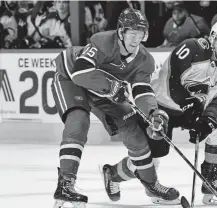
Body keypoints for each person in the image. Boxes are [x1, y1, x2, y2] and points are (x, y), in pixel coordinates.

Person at [103, 18, 217, 206]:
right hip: (159, 106)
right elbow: (170, 80)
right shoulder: (192, 48)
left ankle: (210, 183)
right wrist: (188, 104)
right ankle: (113, 174)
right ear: (213, 37)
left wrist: (209, 119)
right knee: (152, 156)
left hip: (186, 110)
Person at [52, 8, 180, 208]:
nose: (136, 38)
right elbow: (80, 73)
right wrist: (111, 87)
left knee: (133, 131)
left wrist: (153, 113)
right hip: (70, 77)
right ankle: (66, 183)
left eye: (140, 33)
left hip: (103, 88)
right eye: (132, 33)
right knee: (79, 120)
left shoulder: (145, 60)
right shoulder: (103, 41)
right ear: (121, 31)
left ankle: (151, 184)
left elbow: (143, 92)